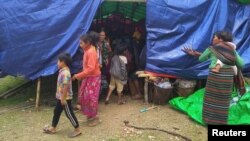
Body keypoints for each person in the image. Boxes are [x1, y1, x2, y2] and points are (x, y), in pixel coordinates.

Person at [183, 31, 244, 125]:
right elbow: (241, 64)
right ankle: (221, 121)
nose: (212, 39)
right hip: (227, 77)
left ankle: (209, 120)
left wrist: (196, 54)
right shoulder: (232, 50)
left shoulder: (212, 49)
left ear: (221, 39)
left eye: (214, 37)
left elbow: (202, 59)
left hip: (215, 76)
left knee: (211, 98)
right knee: (223, 99)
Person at [43, 53, 81, 138]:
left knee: (69, 113)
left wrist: (63, 99)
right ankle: (53, 128)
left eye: (58, 61)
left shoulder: (65, 73)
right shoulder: (63, 71)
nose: (57, 63)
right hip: (61, 97)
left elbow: (66, 86)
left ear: (63, 62)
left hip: (65, 98)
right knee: (56, 111)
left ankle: (77, 129)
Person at [72, 34, 101, 127]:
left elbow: (91, 68)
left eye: (81, 43)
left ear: (87, 43)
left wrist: (78, 75)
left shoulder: (91, 51)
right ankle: (90, 114)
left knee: (92, 97)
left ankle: (95, 117)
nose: (80, 45)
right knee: (85, 96)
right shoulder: (87, 50)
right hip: (88, 76)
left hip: (93, 77)